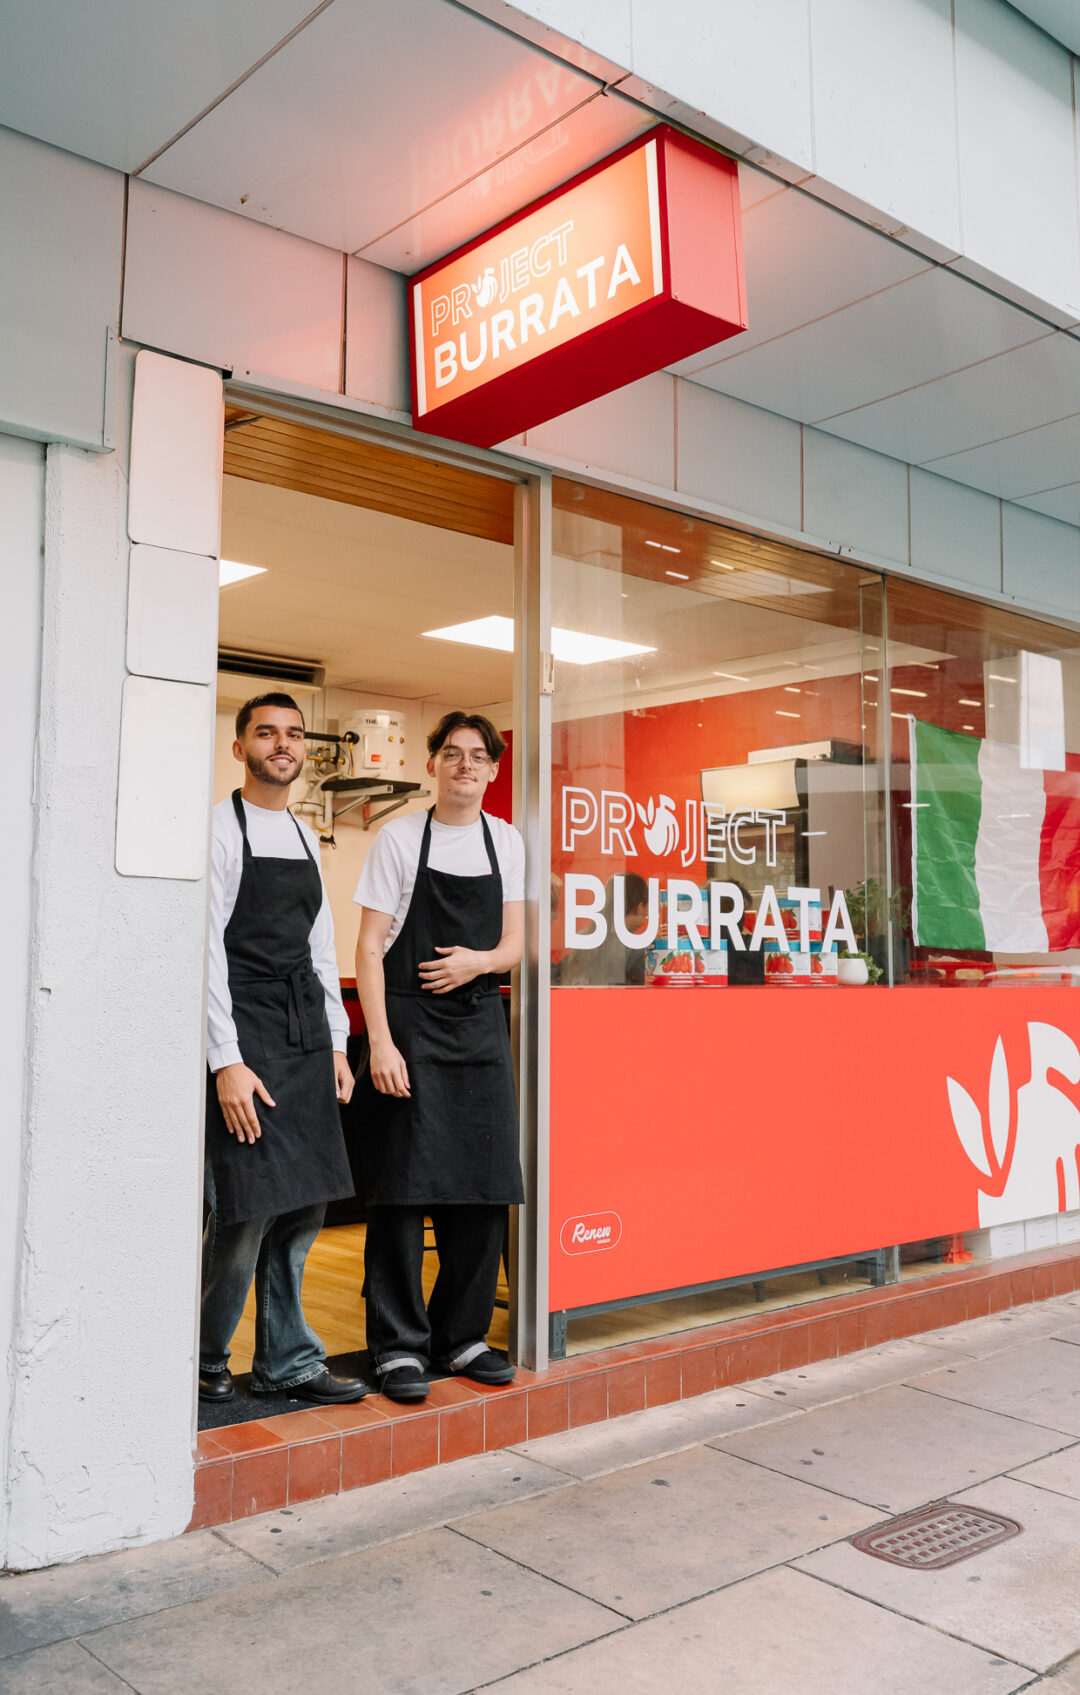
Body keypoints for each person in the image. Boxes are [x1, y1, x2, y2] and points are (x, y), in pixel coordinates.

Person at [353, 711, 525, 1402]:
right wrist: (383, 1043)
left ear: (492, 769)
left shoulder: (506, 841)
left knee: (481, 1191)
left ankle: (465, 1336)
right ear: (432, 765)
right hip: (410, 1032)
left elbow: (515, 943)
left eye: (477, 756)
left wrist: (477, 962)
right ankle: (397, 1347)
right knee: (402, 1191)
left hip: (481, 1032)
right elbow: (368, 948)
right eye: (451, 754)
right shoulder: (396, 838)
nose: (464, 765)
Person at [200, 692, 367, 1405]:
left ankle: (287, 1361)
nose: (283, 744)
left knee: (303, 1207)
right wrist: (225, 1060)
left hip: (303, 1036)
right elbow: (204, 951)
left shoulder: (304, 835)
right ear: (240, 748)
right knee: (245, 1209)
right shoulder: (215, 831)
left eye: (293, 734)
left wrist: (336, 1041)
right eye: (266, 733)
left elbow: (321, 947)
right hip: (247, 1031)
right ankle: (201, 1356)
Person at [560, 872, 651, 986]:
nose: (645, 916)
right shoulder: (634, 950)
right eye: (646, 911)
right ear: (640, 906)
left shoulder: (583, 938)